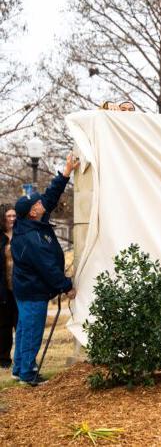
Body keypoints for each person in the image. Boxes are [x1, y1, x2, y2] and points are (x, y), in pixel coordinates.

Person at [11, 153, 79, 385]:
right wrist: (66, 286)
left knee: (23, 329)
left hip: (26, 289)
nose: (42, 204)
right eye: (37, 203)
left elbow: (50, 197)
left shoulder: (30, 222)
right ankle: (28, 374)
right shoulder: (32, 238)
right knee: (31, 331)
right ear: (32, 211)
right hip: (32, 292)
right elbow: (48, 268)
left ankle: (19, 368)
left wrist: (66, 172)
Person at [0, 204, 17, 368]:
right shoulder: (0, 238)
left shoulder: (20, 235)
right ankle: (4, 359)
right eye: (8, 216)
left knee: (21, 324)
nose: (12, 219)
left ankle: (21, 358)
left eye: (14, 216)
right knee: (4, 326)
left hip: (20, 288)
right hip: (3, 290)